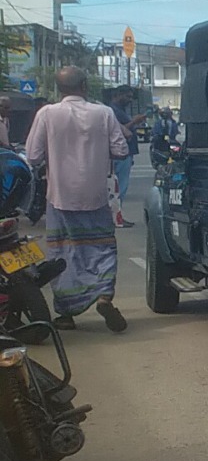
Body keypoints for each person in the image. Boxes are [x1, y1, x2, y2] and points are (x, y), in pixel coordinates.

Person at [26, 67, 130, 332]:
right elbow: (121, 149)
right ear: (84, 85)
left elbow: (33, 156)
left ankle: (66, 314)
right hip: (96, 197)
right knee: (103, 248)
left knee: (62, 254)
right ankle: (104, 297)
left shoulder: (47, 114)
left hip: (59, 198)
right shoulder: (104, 113)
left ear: (59, 88)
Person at [109, 87, 145, 228]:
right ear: (118, 95)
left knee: (118, 188)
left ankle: (116, 216)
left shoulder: (119, 110)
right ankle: (116, 218)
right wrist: (134, 122)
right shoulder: (112, 111)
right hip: (120, 154)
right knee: (119, 188)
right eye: (127, 97)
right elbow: (119, 130)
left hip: (125, 153)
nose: (130, 100)